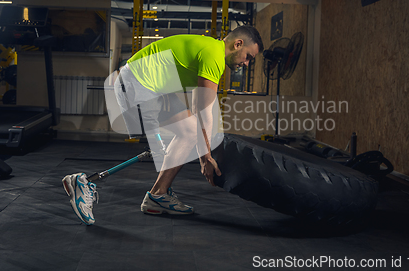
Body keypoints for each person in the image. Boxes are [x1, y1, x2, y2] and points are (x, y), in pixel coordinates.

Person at [62, 25, 263, 225]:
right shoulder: (214, 56)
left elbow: (197, 105)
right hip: (137, 85)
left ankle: (158, 195)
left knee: (189, 132)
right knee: (163, 148)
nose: (246, 64)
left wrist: (201, 150)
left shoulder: (210, 49)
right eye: (248, 57)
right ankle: (83, 183)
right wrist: (205, 157)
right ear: (238, 44)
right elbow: (204, 111)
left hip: (145, 86)